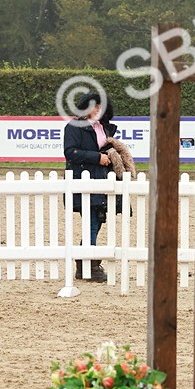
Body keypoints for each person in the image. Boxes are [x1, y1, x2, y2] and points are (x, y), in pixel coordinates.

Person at [63, 92, 121, 283]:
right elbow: (71, 152)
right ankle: (87, 264)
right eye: (93, 106)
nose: (96, 110)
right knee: (92, 221)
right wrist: (97, 157)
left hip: (102, 180)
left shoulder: (105, 128)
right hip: (83, 180)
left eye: (99, 107)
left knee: (97, 219)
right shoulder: (73, 127)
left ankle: (86, 262)